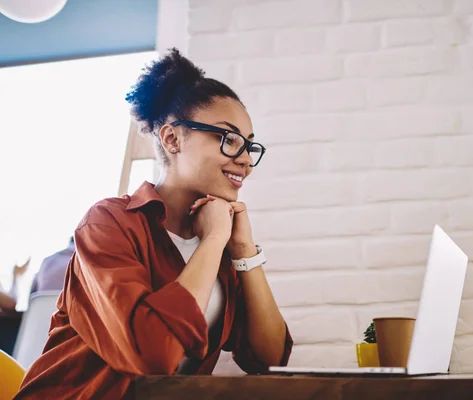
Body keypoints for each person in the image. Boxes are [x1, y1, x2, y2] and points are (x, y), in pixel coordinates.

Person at [16, 49, 292, 399]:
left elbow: (270, 361)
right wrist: (214, 241)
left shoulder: (221, 241)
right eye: (229, 139)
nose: (245, 162)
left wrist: (242, 250)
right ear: (172, 139)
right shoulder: (109, 223)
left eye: (249, 146)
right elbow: (152, 354)